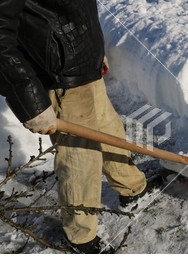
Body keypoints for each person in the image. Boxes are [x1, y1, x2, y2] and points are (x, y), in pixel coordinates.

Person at [0, 0, 150, 253]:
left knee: (111, 131)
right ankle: (80, 235)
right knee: (80, 160)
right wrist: (31, 101)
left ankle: (132, 188)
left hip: (83, 68)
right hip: (59, 78)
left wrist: (93, 51)